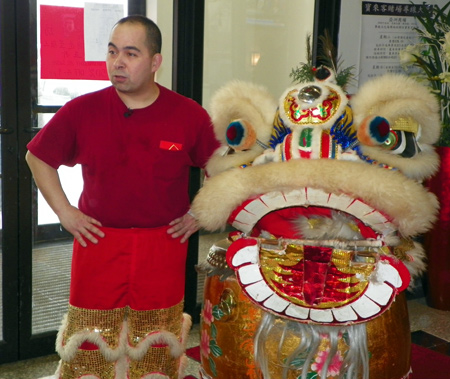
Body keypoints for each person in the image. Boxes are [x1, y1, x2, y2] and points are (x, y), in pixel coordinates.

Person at [26, 15, 220, 379]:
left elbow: (222, 167)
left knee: (156, 339)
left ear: (155, 61)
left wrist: (202, 212)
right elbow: (37, 157)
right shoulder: (83, 110)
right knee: (90, 338)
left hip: (163, 243)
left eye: (131, 53)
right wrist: (65, 211)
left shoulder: (188, 115)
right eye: (113, 51)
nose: (117, 62)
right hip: (98, 241)